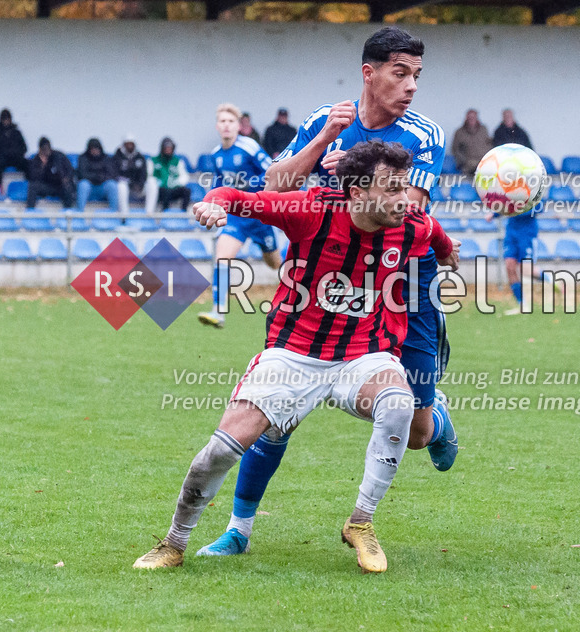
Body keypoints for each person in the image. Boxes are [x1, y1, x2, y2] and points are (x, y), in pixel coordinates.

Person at [132, 140, 459, 573]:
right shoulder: (311, 211)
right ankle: (173, 544)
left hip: (364, 355)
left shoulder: (411, 223)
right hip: (293, 355)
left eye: (405, 187)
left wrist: (448, 252)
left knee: (398, 403)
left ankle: (361, 523)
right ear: (358, 193)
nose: (404, 199)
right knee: (220, 451)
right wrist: (213, 205)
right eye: (393, 188)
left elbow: (437, 237)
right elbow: (236, 197)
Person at [195, 27, 458, 559]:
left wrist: (351, 176)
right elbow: (275, 184)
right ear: (370, 72)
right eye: (401, 73)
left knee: (415, 429)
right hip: (323, 277)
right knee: (274, 408)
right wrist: (320, 144)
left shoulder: (425, 132)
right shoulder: (326, 119)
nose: (411, 86)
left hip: (403, 278)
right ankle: (239, 530)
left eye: (417, 76)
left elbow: (410, 207)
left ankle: (437, 420)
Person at [196, 105, 283, 329]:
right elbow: (218, 185)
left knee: (275, 264)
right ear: (217, 126)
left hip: (260, 214)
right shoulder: (216, 155)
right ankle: (218, 312)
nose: (226, 125)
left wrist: (257, 191)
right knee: (222, 257)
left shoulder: (249, 147)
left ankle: (293, 301)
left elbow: (272, 173)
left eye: (230, 121)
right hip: (236, 217)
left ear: (238, 126)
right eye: (222, 121)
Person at [25, 137, 75, 209]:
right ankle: (30, 210)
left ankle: (69, 212)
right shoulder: (36, 160)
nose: (46, 151)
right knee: (33, 186)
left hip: (61, 185)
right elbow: (33, 177)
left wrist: (66, 179)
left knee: (68, 187)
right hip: (47, 186)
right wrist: (43, 166)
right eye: (43, 149)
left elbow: (70, 170)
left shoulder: (59, 156)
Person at [149, 137, 192, 212]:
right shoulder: (153, 161)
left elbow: (184, 176)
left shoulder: (177, 162)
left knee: (186, 191)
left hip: (173, 189)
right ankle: (164, 212)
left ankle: (183, 212)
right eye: (166, 148)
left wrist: (176, 182)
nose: (168, 150)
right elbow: (149, 176)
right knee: (165, 191)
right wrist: (158, 182)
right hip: (160, 190)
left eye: (170, 148)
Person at [76, 138, 119, 211]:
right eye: (92, 149)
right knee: (83, 184)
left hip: (102, 187)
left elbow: (111, 174)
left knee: (112, 185)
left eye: (96, 149)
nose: (95, 151)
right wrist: (95, 176)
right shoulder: (83, 158)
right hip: (89, 187)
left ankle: (114, 213)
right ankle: (80, 213)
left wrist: (101, 178)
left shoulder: (106, 158)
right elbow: (82, 174)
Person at [113, 134, 151, 214]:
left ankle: (149, 213)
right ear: (123, 144)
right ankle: (124, 214)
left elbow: (144, 174)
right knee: (121, 186)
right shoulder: (117, 157)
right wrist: (130, 183)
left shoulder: (140, 157)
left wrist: (140, 184)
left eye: (131, 143)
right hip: (125, 187)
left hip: (139, 188)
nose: (129, 146)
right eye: (127, 144)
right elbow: (115, 174)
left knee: (152, 183)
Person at [451, 108, 493, 175]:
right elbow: (455, 149)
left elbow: (489, 144)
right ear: (466, 118)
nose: (471, 119)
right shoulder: (459, 132)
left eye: (473, 117)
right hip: (468, 164)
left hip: (483, 162)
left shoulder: (483, 130)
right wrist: (463, 161)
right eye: (469, 117)